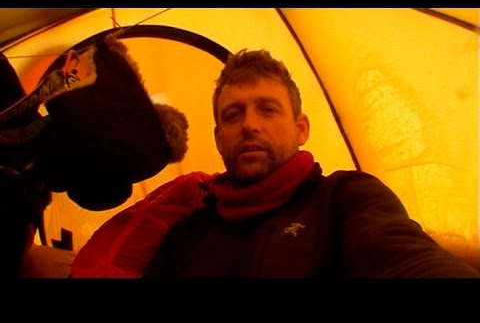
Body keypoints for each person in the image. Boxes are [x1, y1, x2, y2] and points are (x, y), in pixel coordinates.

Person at [138, 48, 480, 278]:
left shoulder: (346, 198)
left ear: (301, 128)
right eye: (233, 114)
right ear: (218, 138)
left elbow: (404, 257)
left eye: (268, 109)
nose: (250, 125)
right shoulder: (188, 235)